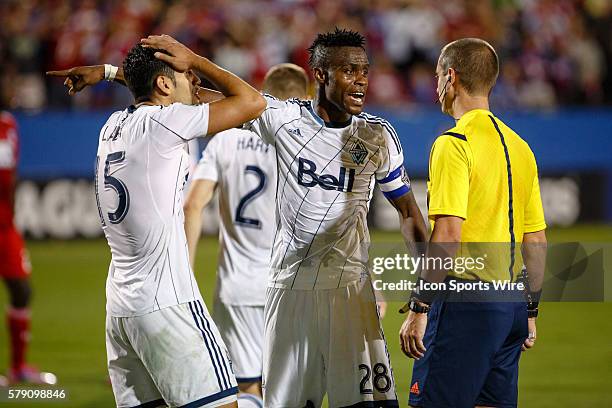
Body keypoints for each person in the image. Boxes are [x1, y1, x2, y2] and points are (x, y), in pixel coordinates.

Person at [66, 34, 264, 408]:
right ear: (163, 84)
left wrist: (111, 72)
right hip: (168, 304)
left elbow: (153, 87)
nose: (196, 81)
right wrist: (196, 58)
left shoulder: (111, 125)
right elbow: (251, 102)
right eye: (188, 74)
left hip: (122, 311)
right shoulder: (168, 123)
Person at [244, 28, 428, 407]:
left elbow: (409, 211)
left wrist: (424, 287)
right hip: (290, 289)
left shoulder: (377, 136)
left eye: (364, 70)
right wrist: (128, 76)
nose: (361, 78)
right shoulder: (284, 119)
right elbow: (216, 99)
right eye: (349, 70)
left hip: (350, 292)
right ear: (322, 75)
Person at [399, 38, 547, 408]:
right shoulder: (521, 146)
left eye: (437, 76)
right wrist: (529, 310)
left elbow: (448, 233)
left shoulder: (454, 143)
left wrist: (420, 306)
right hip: (510, 305)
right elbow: (537, 241)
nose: (435, 86)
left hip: (465, 303)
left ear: (451, 78)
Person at [183, 63, 309, 407]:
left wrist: (184, 272)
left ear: (263, 95)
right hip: (291, 287)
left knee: (245, 390)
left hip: (237, 287)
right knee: (290, 391)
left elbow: (193, 205)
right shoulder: (308, 146)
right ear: (306, 98)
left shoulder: (225, 139)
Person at [0, 110, 56, 386]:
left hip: (4, 226)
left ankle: (18, 368)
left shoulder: (8, 124)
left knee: (22, 290)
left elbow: (12, 175)